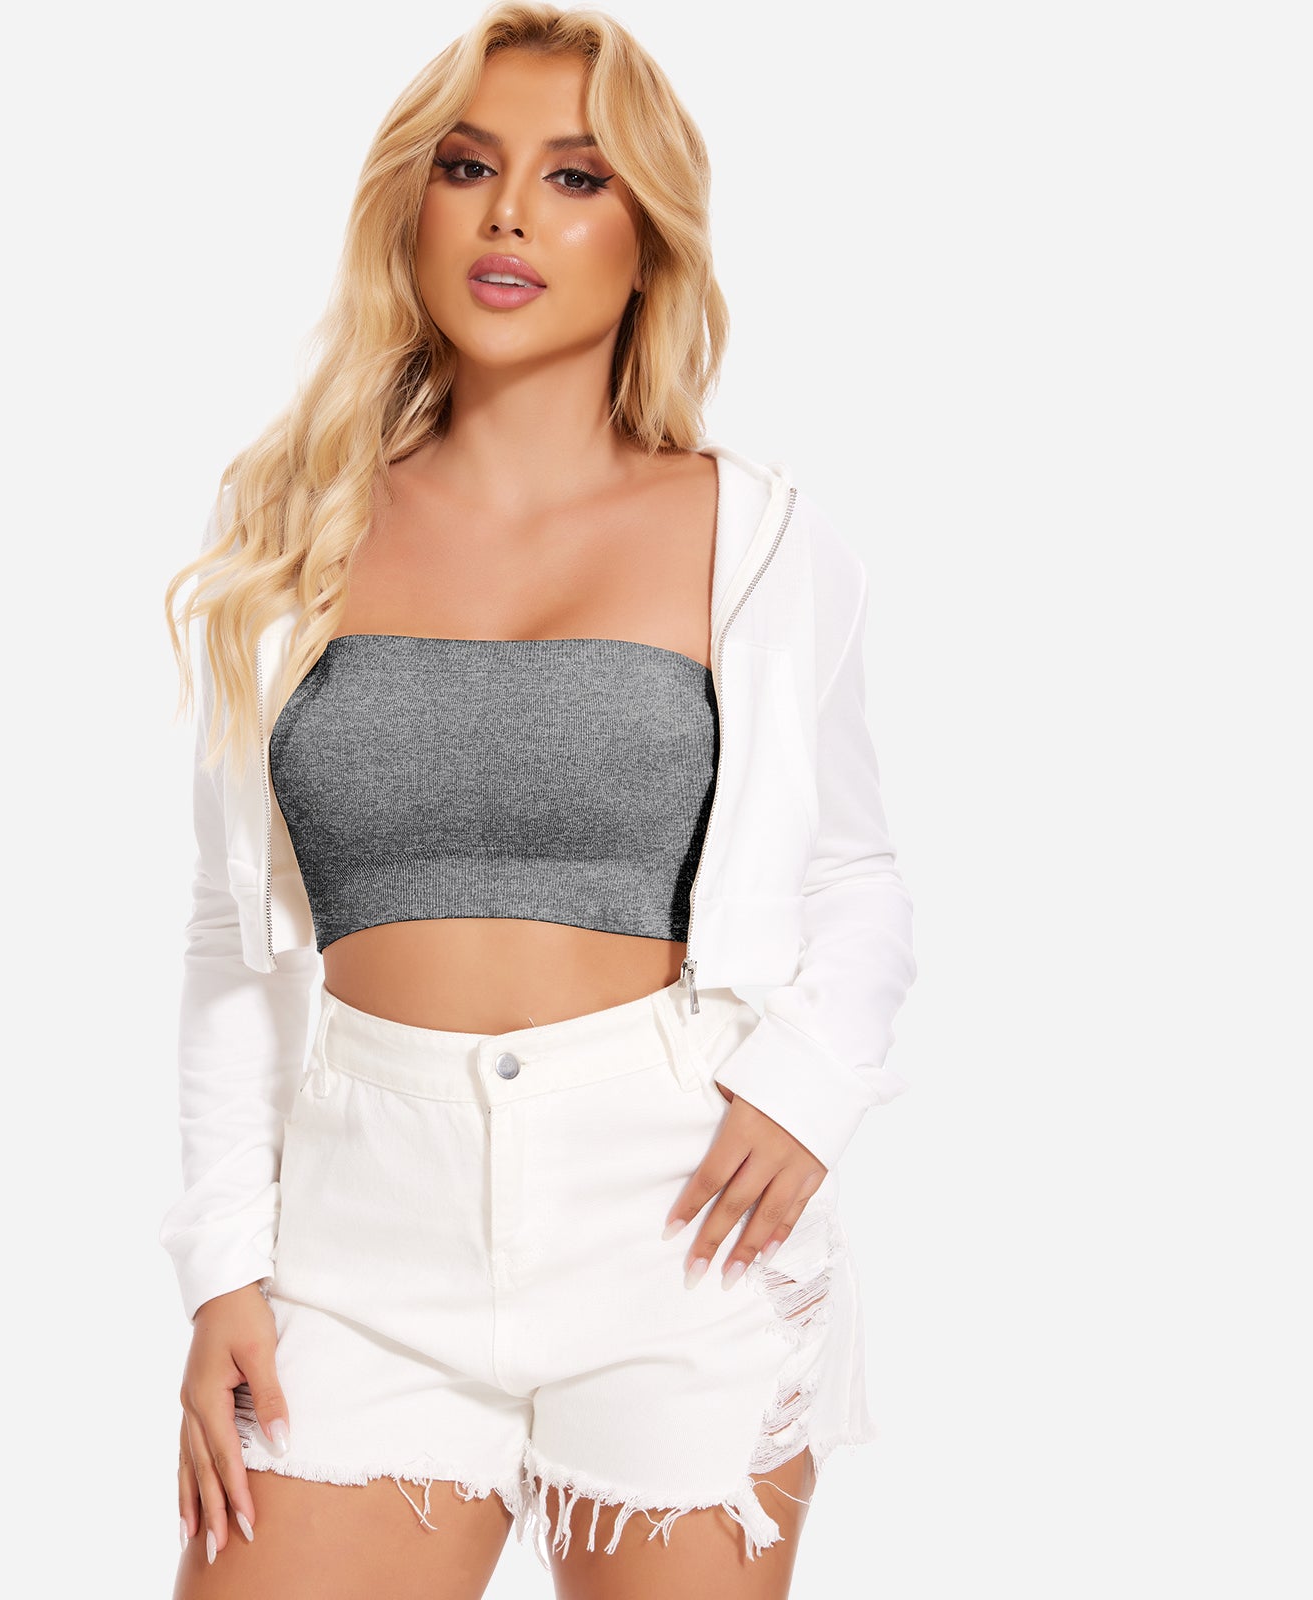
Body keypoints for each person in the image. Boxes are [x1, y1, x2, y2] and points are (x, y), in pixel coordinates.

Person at [160, 6, 916, 1595]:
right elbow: (234, 938)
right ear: (412, 209)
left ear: (648, 244)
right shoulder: (291, 531)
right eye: (467, 167)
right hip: (357, 1246)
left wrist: (807, 1092)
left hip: (676, 1226)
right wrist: (224, 1267)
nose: (509, 213)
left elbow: (851, 876)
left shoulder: (758, 537)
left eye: (576, 178)